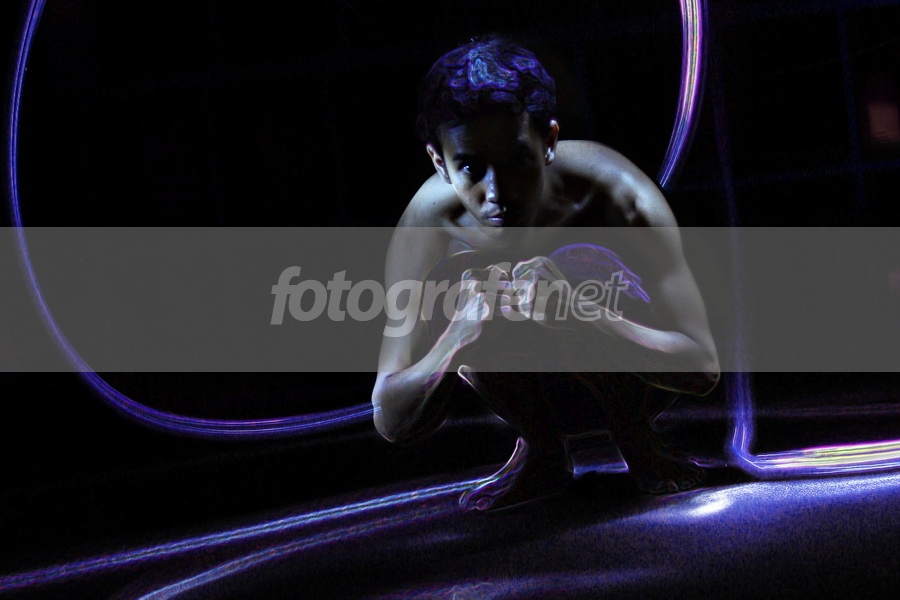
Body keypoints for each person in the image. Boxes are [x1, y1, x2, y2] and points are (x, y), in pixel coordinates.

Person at [371, 37, 720, 512]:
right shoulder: (427, 226)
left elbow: (701, 368)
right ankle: (542, 450)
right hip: (524, 388)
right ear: (439, 163)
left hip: (643, 376)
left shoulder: (615, 191)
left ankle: (637, 437)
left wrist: (584, 313)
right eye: (470, 167)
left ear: (549, 142)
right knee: (460, 283)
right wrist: (455, 339)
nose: (498, 192)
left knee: (580, 261)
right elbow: (390, 415)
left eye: (517, 160)